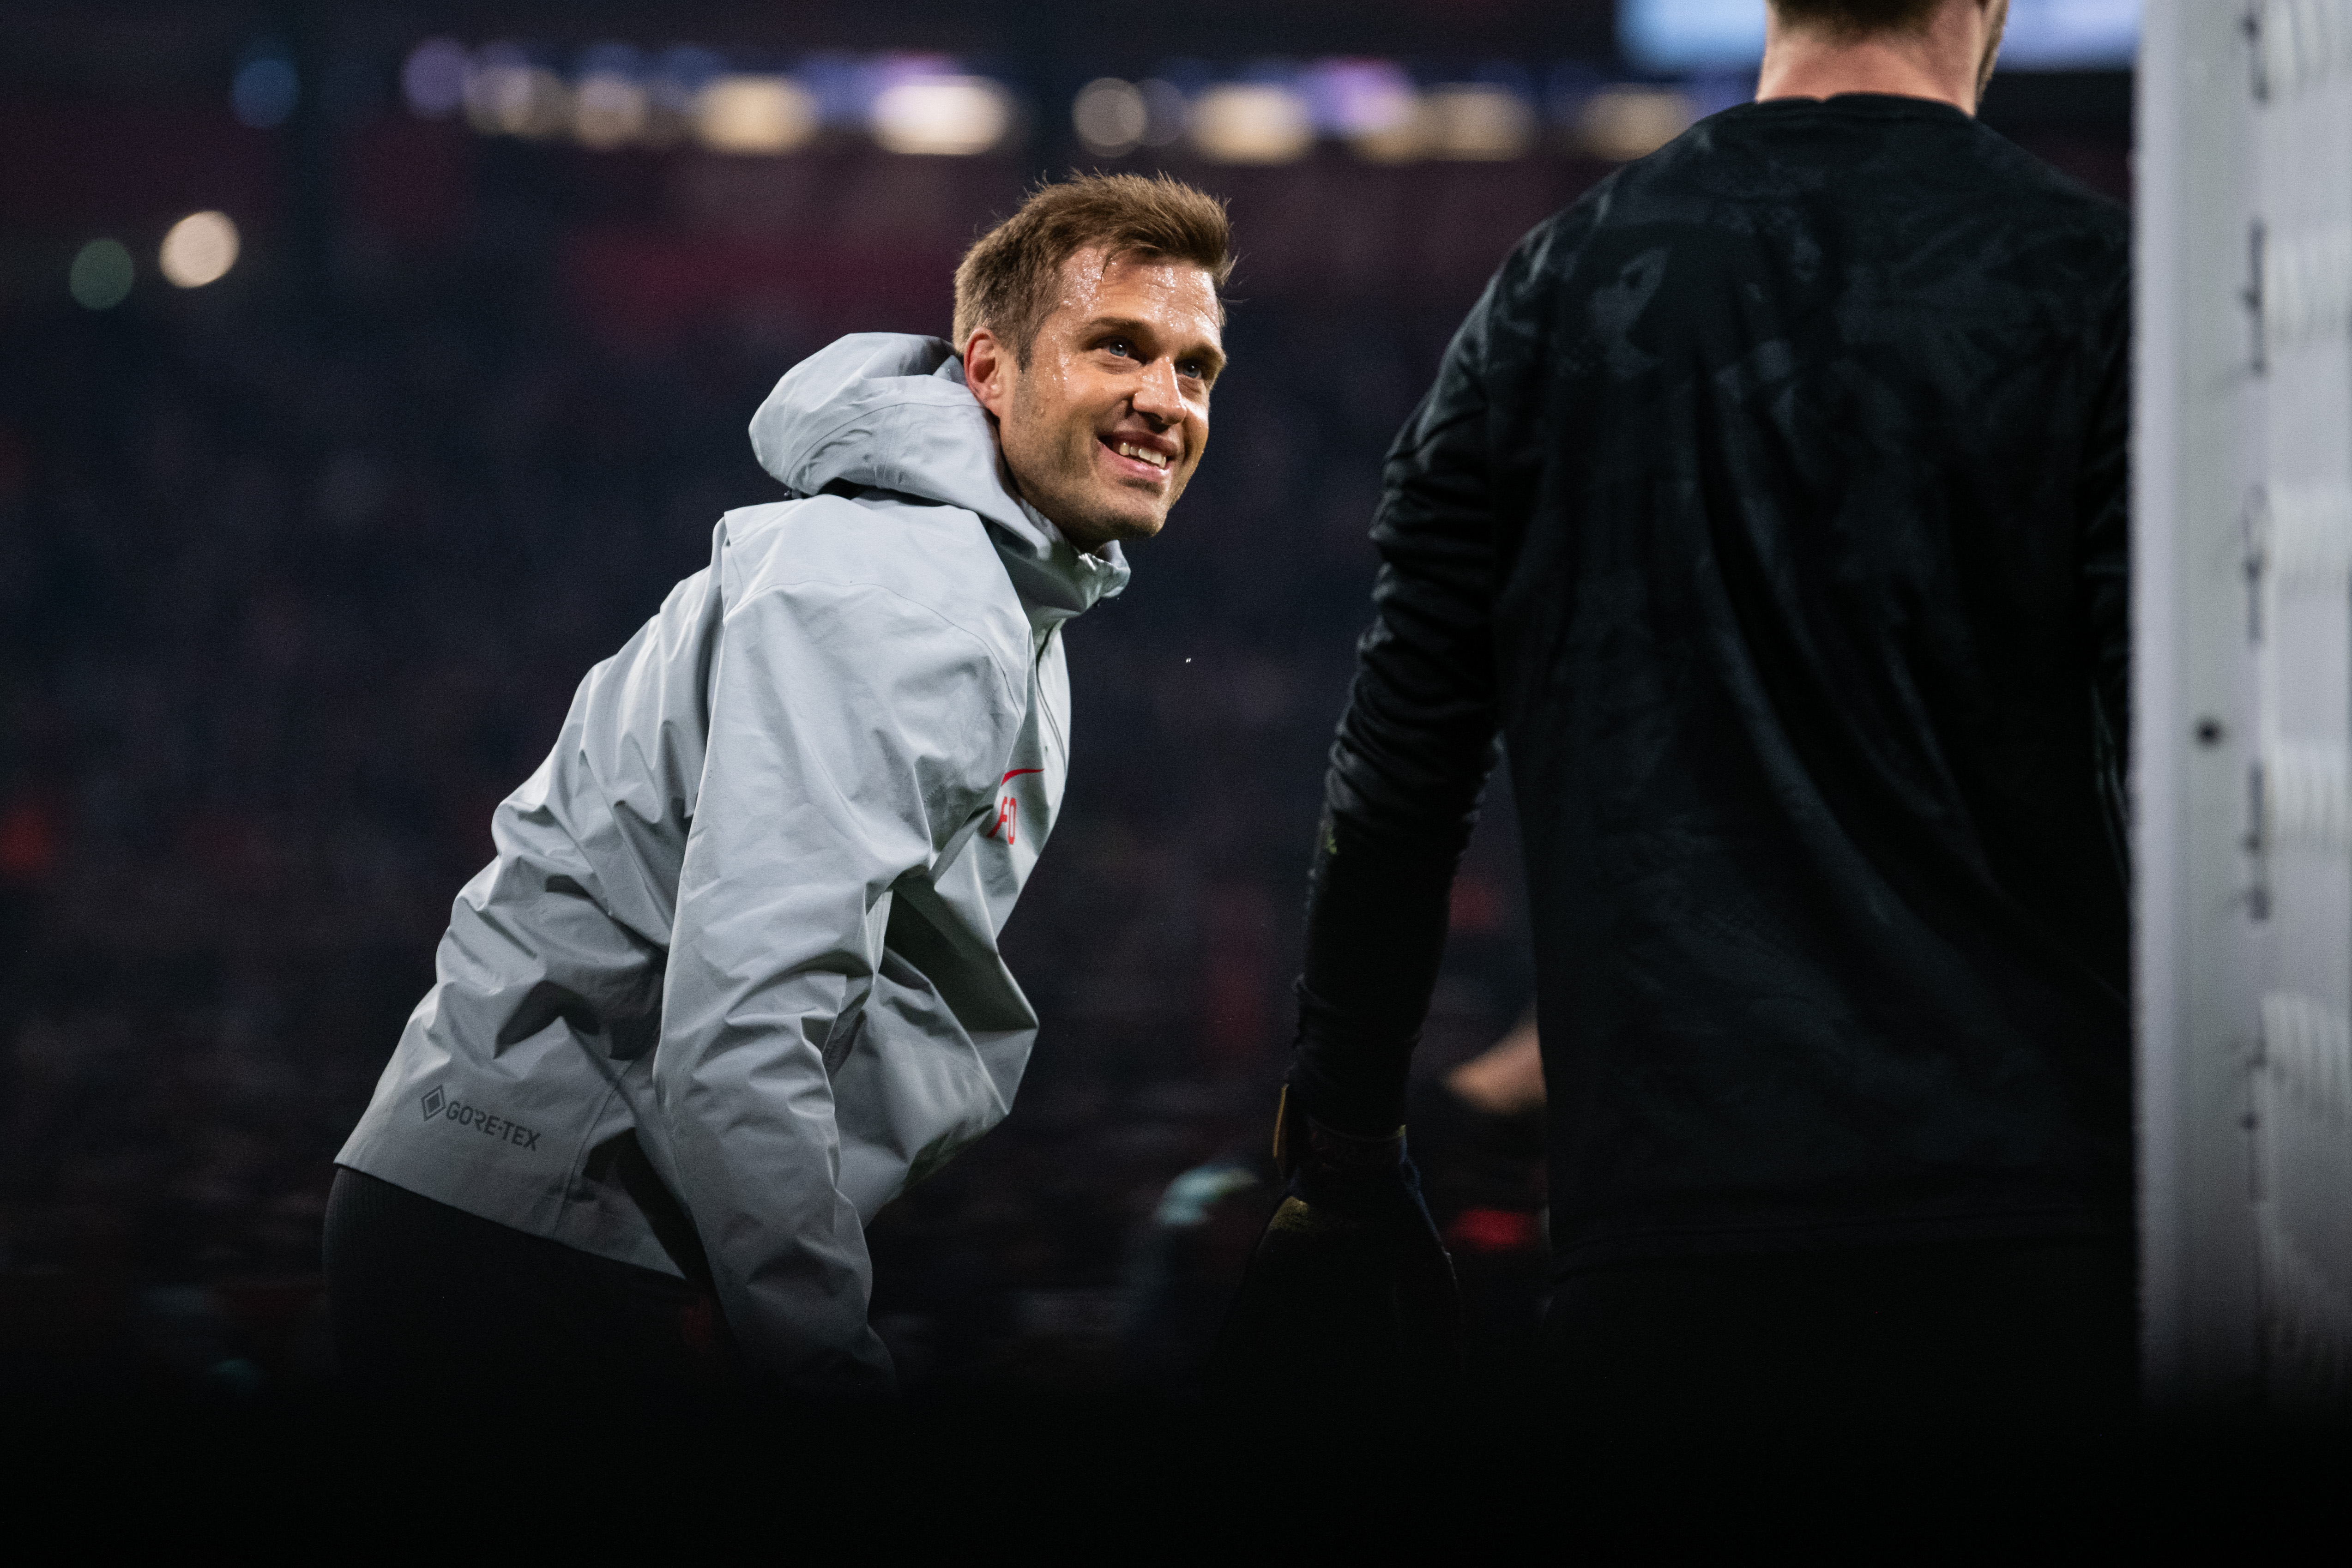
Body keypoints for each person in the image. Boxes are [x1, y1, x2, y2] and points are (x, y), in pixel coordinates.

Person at [1227, 0, 2135, 1428]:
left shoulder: (1545, 298)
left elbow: (1398, 780)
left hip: (1668, 1249)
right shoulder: (2100, 286)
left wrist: (1343, 1157)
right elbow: (2185, 777)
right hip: (2035, 1230)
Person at [325, 174, 1232, 1403]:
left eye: (1195, 367)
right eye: (1117, 347)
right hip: (541, 1241)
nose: (1164, 401)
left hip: (563, 1225)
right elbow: (746, 1016)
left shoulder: (985, 596)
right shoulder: (896, 591)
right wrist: (817, 1352)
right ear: (990, 371)